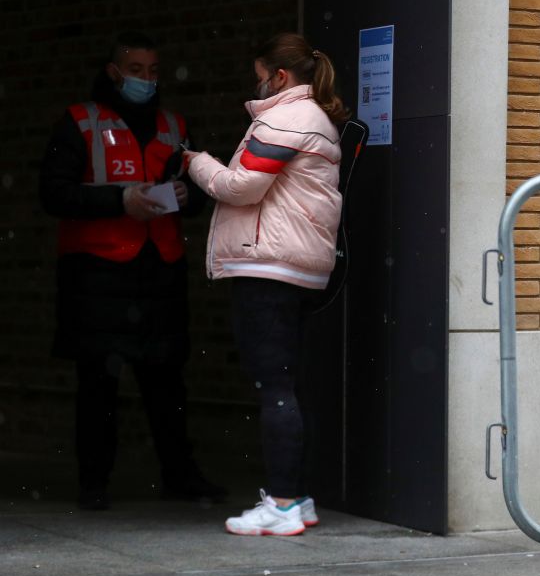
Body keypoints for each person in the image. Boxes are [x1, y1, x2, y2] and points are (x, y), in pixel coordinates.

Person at [39, 32, 226, 510]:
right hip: (96, 274)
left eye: (153, 71)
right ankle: (94, 483)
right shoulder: (80, 122)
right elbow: (54, 194)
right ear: (114, 73)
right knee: (99, 383)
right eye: (136, 70)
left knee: (167, 383)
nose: (146, 80)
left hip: (158, 270)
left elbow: (200, 187)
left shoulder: (172, 125)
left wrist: (188, 197)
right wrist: (119, 199)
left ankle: (180, 475)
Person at [185, 32, 346, 536]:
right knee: (289, 385)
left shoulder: (284, 118)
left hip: (267, 266)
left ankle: (280, 503)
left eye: (259, 74)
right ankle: (296, 499)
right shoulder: (315, 118)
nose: (255, 82)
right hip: (296, 266)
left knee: (275, 387)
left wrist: (197, 162)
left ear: (278, 76)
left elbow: (241, 185)